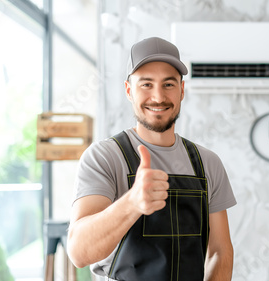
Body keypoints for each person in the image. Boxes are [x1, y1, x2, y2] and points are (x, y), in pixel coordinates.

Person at [67, 37, 237, 281]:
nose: (158, 97)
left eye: (168, 84)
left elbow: (220, 252)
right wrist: (132, 203)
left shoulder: (208, 163)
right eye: (146, 84)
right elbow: (79, 252)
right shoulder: (104, 158)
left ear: (182, 90)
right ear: (129, 90)